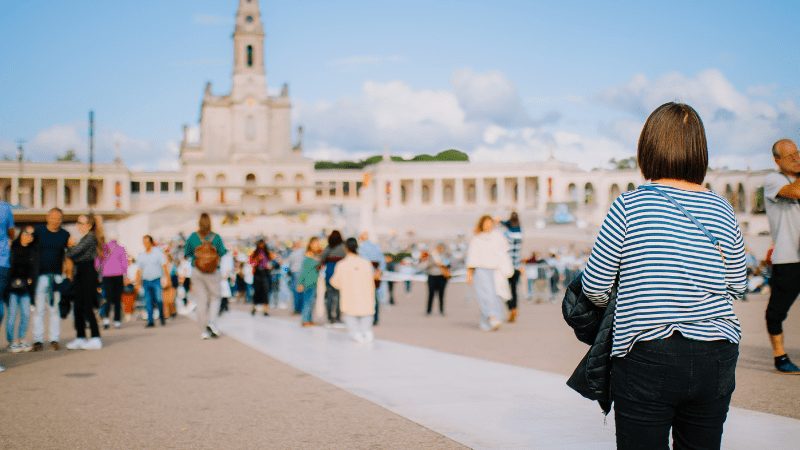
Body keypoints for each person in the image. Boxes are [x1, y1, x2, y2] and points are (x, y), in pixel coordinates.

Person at [581, 102, 746, 449]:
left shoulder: (628, 205)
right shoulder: (722, 208)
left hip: (647, 350)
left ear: (647, 148)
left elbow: (594, 286)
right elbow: (738, 284)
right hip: (716, 350)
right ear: (699, 151)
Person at [763, 138, 800, 374]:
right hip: (788, 258)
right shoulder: (773, 179)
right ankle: (780, 357)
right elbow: (795, 192)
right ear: (777, 160)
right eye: (790, 156)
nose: (797, 159)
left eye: (798, 153)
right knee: (776, 311)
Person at [466, 215, 513, 331]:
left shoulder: (498, 237)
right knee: (484, 296)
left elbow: (505, 251)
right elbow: (472, 258)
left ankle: (493, 318)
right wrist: (469, 274)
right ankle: (490, 319)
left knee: (496, 295)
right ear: (481, 224)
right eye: (486, 223)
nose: (488, 226)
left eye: (490, 223)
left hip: (496, 270)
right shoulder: (476, 238)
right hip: (481, 270)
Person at [184, 213, 227, 339]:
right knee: (215, 298)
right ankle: (212, 323)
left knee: (201, 301)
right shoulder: (216, 237)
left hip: (197, 271)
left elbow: (187, 252)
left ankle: (203, 331)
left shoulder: (193, 237)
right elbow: (223, 252)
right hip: (213, 271)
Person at [32, 207, 69, 351]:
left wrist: (69, 274)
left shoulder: (65, 234)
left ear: (61, 219)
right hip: (40, 276)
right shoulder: (38, 231)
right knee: (39, 309)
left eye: (59, 218)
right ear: (48, 217)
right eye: (53, 217)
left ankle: (55, 339)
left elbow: (68, 254)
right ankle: (38, 340)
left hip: (57, 277)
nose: (56, 220)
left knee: (54, 310)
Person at [65, 214, 104, 350]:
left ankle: (95, 337)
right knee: (77, 307)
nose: (79, 226)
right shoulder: (83, 239)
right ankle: (80, 337)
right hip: (80, 274)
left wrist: (69, 245)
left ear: (89, 225)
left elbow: (72, 253)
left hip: (87, 273)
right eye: (78, 222)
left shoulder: (89, 238)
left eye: (83, 223)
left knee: (87, 306)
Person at [330, 238, 377, 343]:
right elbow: (372, 280)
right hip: (366, 296)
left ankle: (357, 334)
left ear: (346, 248)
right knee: (366, 319)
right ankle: (367, 333)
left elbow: (335, 282)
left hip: (350, 297)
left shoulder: (342, 264)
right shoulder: (366, 263)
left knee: (352, 322)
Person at [6, 225, 36, 353]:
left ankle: (21, 339)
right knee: (12, 315)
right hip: (11, 287)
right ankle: (11, 342)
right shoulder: (12, 247)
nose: (28, 236)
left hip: (25, 288)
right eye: (25, 232)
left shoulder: (33, 251)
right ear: (21, 233)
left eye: (31, 234)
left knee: (25, 314)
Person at [96, 231, 128, 329]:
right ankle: (117, 320)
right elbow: (124, 264)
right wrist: (126, 277)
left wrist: (96, 272)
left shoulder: (104, 248)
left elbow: (98, 261)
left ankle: (106, 319)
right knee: (117, 299)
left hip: (107, 276)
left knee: (108, 298)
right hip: (118, 276)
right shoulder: (121, 248)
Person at [136, 235, 168, 328]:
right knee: (148, 301)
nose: (145, 244)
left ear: (151, 242)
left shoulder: (158, 253)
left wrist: (167, 278)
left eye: (147, 242)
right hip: (146, 281)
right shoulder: (141, 255)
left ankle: (161, 316)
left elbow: (164, 265)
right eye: (144, 242)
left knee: (159, 299)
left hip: (156, 280)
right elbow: (139, 270)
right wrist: (138, 282)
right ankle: (151, 321)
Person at [319, 230, 346, 327]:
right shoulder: (343, 248)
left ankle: (330, 317)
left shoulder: (328, 248)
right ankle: (338, 318)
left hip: (329, 273)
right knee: (339, 297)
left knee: (329, 297)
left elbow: (322, 260)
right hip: (340, 273)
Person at [500, 212, 523, 322]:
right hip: (517, 266)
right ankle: (514, 308)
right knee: (514, 290)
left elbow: (502, 248)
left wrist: (500, 222)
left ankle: (511, 307)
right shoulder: (520, 234)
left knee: (504, 289)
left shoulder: (506, 234)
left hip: (507, 266)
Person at [358, 231, 385, 325]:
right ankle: (375, 318)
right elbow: (382, 261)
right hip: (375, 274)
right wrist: (379, 272)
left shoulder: (361, 248)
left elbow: (362, 262)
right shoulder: (376, 247)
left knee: (364, 296)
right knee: (375, 297)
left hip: (365, 275)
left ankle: (365, 317)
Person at [297, 237, 322, 326]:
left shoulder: (315, 255)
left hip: (314, 281)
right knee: (308, 302)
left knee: (311, 302)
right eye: (316, 243)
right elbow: (303, 270)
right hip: (308, 282)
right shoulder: (308, 255)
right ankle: (305, 320)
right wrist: (300, 283)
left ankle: (309, 319)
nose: (318, 245)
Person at [424, 243, 449, 316]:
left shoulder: (445, 256)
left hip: (441, 276)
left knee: (441, 294)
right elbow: (426, 265)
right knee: (431, 294)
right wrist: (435, 264)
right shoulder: (431, 256)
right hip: (432, 275)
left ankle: (441, 310)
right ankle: (428, 310)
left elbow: (448, 263)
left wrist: (443, 264)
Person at [250, 239, 272, 316]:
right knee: (257, 292)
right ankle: (255, 308)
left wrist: (269, 266)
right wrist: (257, 260)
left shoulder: (268, 253)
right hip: (257, 274)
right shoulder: (254, 253)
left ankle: (265, 310)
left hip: (265, 274)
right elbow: (251, 263)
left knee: (265, 292)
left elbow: (272, 263)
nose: (261, 246)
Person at [286, 240, 306, 315]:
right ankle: (302, 308)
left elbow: (287, 262)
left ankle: (297, 309)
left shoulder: (293, 253)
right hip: (303, 272)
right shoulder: (304, 252)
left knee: (296, 291)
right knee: (302, 291)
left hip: (295, 272)